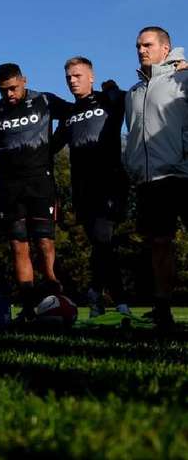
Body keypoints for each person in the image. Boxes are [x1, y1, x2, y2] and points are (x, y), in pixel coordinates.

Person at [0, 63, 71, 322]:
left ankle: (54, 294)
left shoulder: (44, 100)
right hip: (9, 186)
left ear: (24, 80)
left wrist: (52, 146)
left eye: (13, 88)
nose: (9, 94)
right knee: (18, 244)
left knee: (45, 241)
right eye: (4, 91)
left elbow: (71, 114)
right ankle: (28, 304)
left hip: (40, 183)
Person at [53, 57, 131, 317]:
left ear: (91, 76)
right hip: (81, 188)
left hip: (109, 182)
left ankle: (116, 302)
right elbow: (51, 148)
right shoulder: (69, 114)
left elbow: (125, 99)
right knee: (100, 244)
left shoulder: (108, 100)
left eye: (77, 76)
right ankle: (98, 298)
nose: (72, 81)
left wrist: (111, 89)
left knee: (103, 238)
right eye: (68, 78)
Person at [123, 27, 187, 329]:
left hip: (182, 175)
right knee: (159, 244)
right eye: (138, 46)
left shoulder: (182, 79)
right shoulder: (133, 93)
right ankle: (162, 309)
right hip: (150, 181)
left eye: (147, 45)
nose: (141, 50)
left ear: (166, 48)